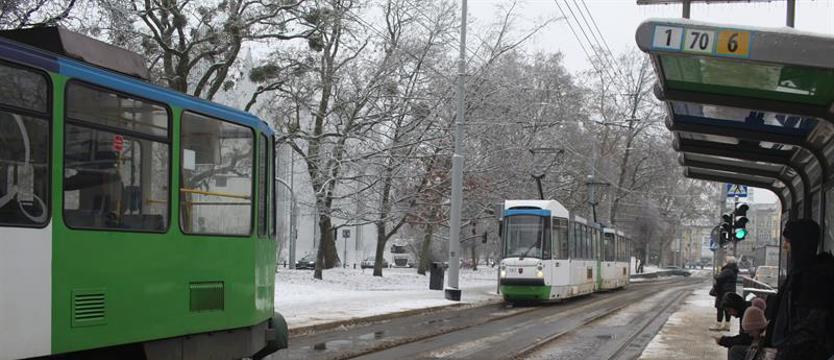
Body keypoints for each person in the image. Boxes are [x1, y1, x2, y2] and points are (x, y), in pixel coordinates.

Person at [768, 219, 834, 360]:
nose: (785, 246)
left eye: (788, 241)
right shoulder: (800, 274)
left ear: (800, 244)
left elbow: (810, 328)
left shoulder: (815, 279)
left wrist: (786, 352)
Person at [716, 293, 753, 360]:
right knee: (732, 347)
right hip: (754, 342)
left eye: (729, 310)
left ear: (735, 306)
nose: (729, 313)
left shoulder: (748, 313)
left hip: (756, 344)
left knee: (735, 350)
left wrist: (725, 340)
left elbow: (746, 339)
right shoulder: (744, 311)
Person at [712, 256, 739, 331]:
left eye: (725, 261)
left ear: (728, 262)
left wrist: (716, 275)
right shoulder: (733, 269)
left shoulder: (727, 270)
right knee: (727, 308)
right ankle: (727, 325)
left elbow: (719, 278)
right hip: (730, 291)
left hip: (723, 292)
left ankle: (718, 325)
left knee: (720, 308)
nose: (724, 262)